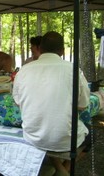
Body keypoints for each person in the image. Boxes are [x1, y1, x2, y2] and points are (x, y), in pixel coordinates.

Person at [12, 31, 90, 174]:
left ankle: (60, 169)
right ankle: (64, 169)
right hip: (64, 138)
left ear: (40, 49)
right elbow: (83, 105)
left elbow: (17, 102)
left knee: (49, 130)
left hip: (33, 136)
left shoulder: (23, 70)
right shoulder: (73, 70)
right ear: (62, 51)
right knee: (87, 135)